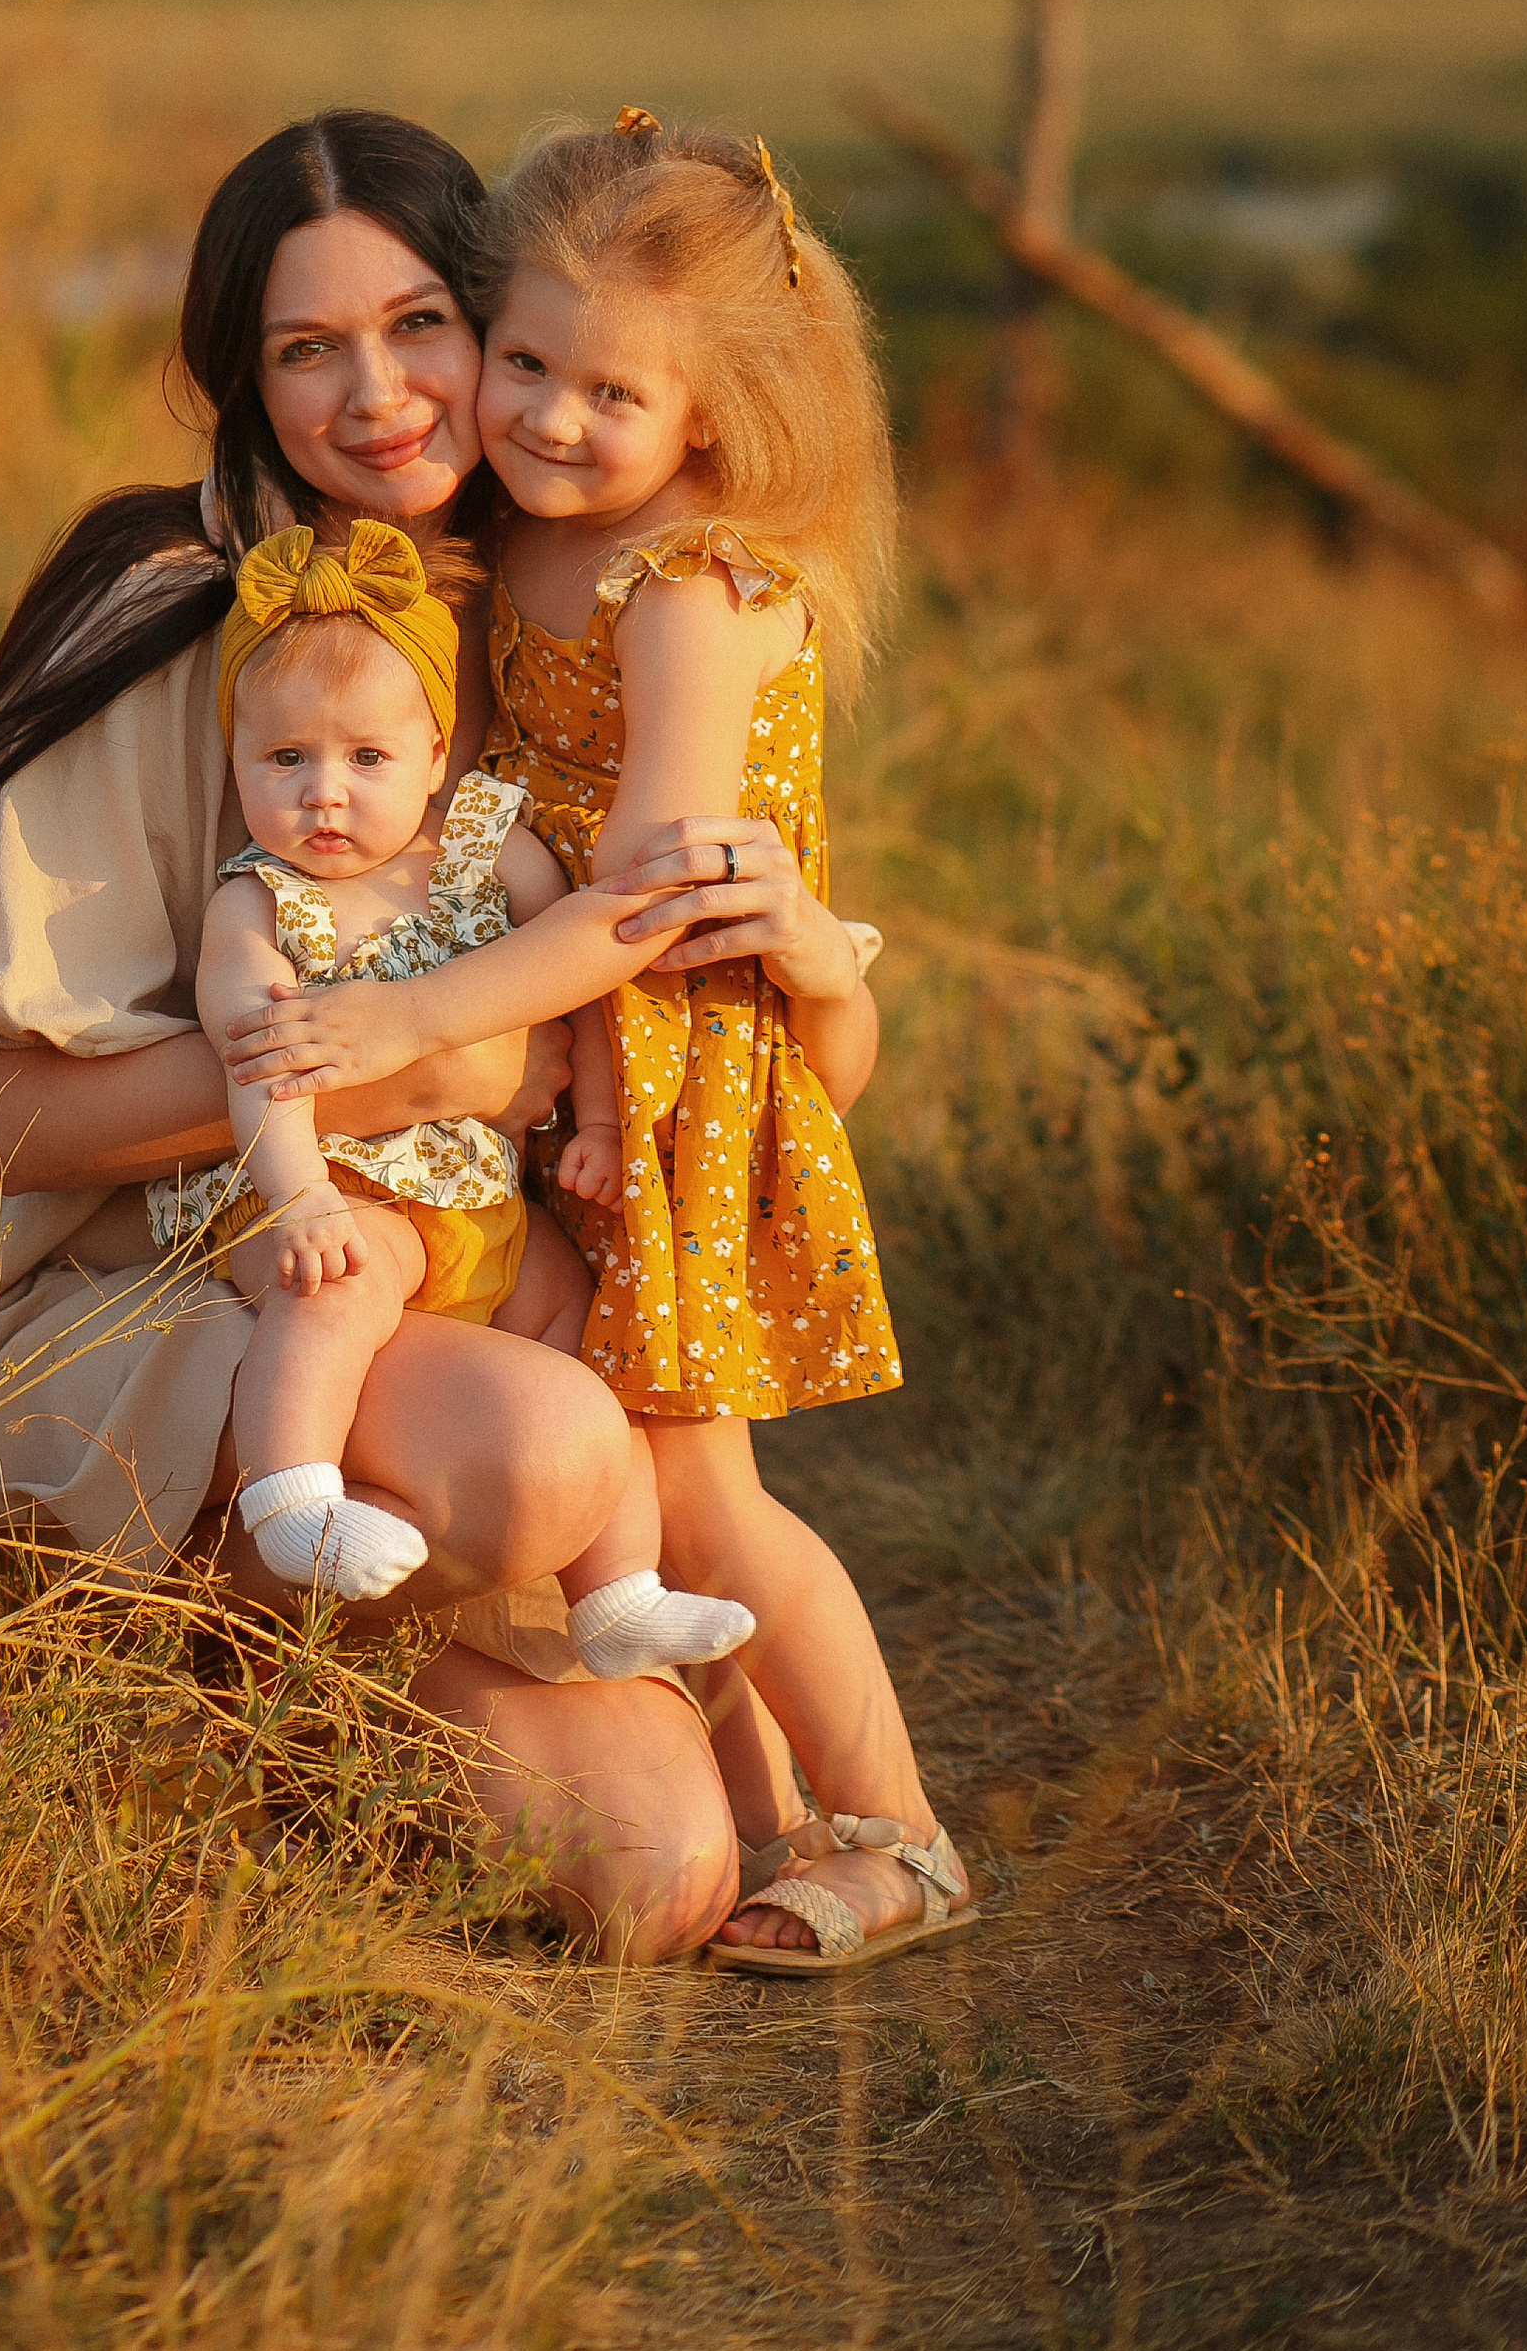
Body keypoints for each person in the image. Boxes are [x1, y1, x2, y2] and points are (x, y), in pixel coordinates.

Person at [0, 107, 944, 1962]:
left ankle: (240, 1696)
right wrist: (408, 1058)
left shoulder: (580, 598)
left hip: (428, 1282)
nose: (383, 396)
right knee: (559, 1465)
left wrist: (820, 965)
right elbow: (9, 1124)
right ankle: (74, 1645)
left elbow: (746, 1075)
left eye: (424, 327)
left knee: (656, 1871)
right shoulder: (177, 610)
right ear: (233, 381)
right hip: (128, 1272)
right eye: (304, 349)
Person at [221, 108, 973, 1971]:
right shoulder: (520, 546)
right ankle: (765, 1820)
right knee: (638, 1477)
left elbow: (644, 901)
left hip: (677, 1076)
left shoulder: (688, 594)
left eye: (607, 393)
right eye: (528, 362)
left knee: (708, 1496)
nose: (547, 418)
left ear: (715, 416)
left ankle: (904, 1833)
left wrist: (414, 1010)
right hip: (582, 1080)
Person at [184, 514, 758, 1679]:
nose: (324, 795)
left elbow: (583, 980)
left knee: (578, 1325)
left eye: (366, 759)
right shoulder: (259, 904)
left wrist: (595, 1121)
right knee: (337, 1297)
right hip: (340, 1195)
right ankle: (292, 1501)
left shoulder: (487, 851)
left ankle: (616, 1594)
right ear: (237, 762)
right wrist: (298, 1201)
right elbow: (260, 1065)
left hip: (480, 1201)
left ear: (437, 754)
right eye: (283, 760)